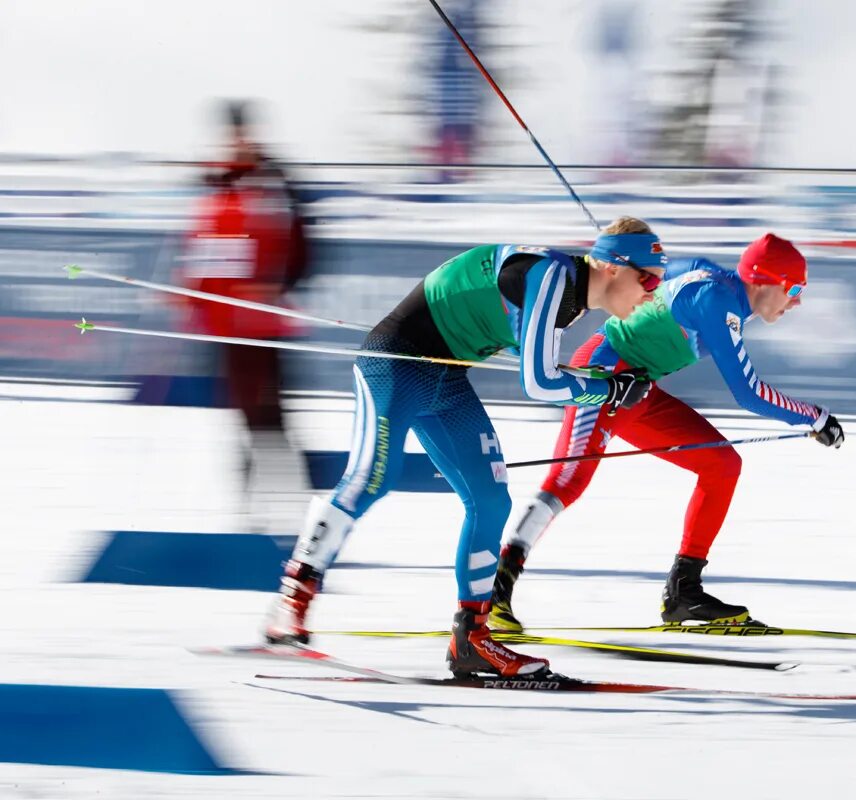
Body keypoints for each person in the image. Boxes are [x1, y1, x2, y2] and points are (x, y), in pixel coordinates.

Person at [263, 217, 667, 678]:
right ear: (614, 266)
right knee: (372, 478)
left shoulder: (572, 297)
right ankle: (290, 601)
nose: (651, 293)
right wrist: (610, 390)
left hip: (446, 376)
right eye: (648, 279)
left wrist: (605, 382)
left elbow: (534, 358)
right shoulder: (554, 277)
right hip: (396, 362)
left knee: (491, 498)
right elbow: (539, 382)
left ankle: (472, 639)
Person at [489, 233, 845, 631]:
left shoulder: (714, 279)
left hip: (638, 388)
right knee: (568, 480)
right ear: (763, 280)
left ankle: (683, 594)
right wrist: (814, 417)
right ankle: (494, 591)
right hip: (605, 375)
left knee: (721, 464)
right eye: (794, 288)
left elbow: (664, 275)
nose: (797, 300)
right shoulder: (719, 302)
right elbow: (749, 393)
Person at [178, 100, 310, 530]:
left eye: (242, 132)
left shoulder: (270, 187)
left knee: (269, 422)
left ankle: (286, 515)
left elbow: (293, 247)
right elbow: (204, 255)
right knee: (252, 421)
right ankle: (256, 516)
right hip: (229, 329)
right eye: (233, 133)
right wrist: (190, 297)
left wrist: (276, 287)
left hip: (261, 327)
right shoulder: (218, 193)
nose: (238, 141)